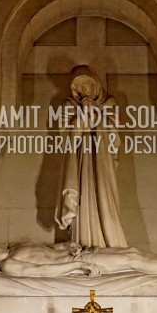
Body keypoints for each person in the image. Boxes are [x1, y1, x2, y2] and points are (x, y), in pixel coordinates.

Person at [54, 65, 128, 248]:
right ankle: (85, 244)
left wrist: (95, 114)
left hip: (103, 161)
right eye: (78, 86)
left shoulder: (109, 103)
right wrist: (83, 116)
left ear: (95, 83)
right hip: (79, 161)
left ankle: (111, 244)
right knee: (83, 198)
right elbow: (66, 135)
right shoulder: (68, 106)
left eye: (86, 84)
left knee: (105, 198)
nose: (83, 90)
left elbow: (114, 135)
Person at [0, 240, 157, 280]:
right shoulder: (9, 265)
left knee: (133, 253)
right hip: (82, 263)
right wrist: (78, 265)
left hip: (80, 253)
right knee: (133, 260)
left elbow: (50, 250)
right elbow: (44, 272)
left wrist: (68, 246)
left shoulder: (15, 246)